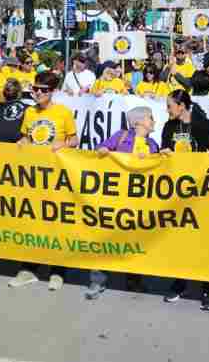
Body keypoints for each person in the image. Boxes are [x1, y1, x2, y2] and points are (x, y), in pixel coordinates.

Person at [10, 72, 78, 290]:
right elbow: (27, 137)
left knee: (56, 224)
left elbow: (74, 139)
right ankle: (28, 269)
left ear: (53, 91)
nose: (38, 93)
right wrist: (22, 141)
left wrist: (64, 144)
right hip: (33, 177)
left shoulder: (63, 112)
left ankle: (57, 271)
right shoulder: (29, 112)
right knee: (32, 223)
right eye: (35, 89)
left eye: (43, 90)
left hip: (56, 177)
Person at [86, 106, 159, 300]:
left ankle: (134, 280)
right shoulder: (121, 136)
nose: (154, 121)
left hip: (138, 202)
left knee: (134, 241)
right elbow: (99, 150)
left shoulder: (153, 144)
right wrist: (102, 150)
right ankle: (98, 280)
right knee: (106, 238)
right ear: (138, 122)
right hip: (115, 198)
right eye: (150, 118)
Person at [161, 89, 209, 309]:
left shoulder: (202, 124)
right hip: (177, 191)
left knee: (203, 240)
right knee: (180, 239)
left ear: (182, 105)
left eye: (170, 106)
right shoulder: (169, 126)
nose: (167, 110)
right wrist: (164, 153)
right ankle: (180, 282)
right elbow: (164, 149)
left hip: (201, 190)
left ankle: (207, 288)